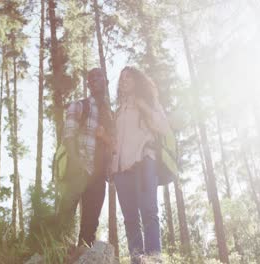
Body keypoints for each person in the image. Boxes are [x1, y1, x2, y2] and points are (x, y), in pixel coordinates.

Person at [111, 66, 172, 264]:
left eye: (128, 77)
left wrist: (143, 106)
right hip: (122, 171)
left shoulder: (149, 103)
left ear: (137, 81)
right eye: (121, 78)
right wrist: (113, 168)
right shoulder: (118, 111)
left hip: (145, 162)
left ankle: (154, 258)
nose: (124, 80)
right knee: (129, 219)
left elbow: (163, 127)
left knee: (149, 212)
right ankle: (137, 259)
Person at [55, 68, 114, 249]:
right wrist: (76, 162)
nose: (96, 80)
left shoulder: (110, 115)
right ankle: (56, 256)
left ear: (106, 82)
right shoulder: (80, 106)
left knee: (89, 228)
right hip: (76, 170)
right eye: (92, 78)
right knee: (64, 221)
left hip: (98, 177)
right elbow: (68, 136)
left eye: (100, 77)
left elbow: (113, 145)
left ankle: (84, 256)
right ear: (88, 84)